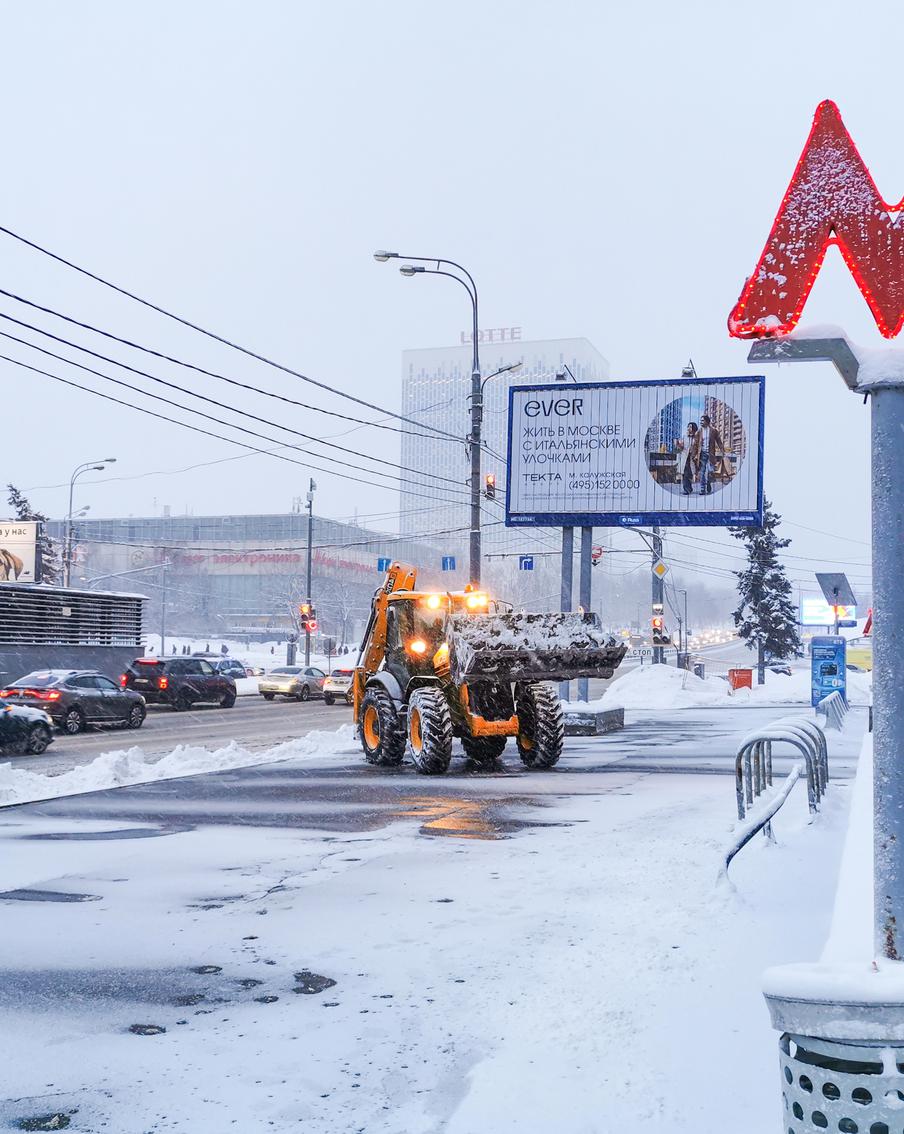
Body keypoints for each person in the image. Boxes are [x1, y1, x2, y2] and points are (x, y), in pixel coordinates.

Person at [692, 413, 724, 495]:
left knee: (710, 471)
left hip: (710, 454)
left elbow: (719, 441)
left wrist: (722, 450)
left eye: (703, 420)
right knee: (702, 472)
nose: (701, 422)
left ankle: (708, 483)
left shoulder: (714, 431)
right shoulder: (699, 431)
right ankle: (702, 489)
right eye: (700, 420)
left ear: (707, 421)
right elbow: (695, 444)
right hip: (702, 454)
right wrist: (694, 454)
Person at [676, 422, 698, 495]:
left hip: (693, 459)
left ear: (694, 428)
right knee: (685, 474)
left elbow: (698, 447)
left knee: (690, 474)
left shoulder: (697, 437)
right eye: (688, 426)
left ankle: (690, 488)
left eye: (690, 427)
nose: (688, 428)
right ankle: (687, 489)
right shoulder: (684, 436)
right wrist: (678, 444)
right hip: (685, 458)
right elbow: (681, 447)